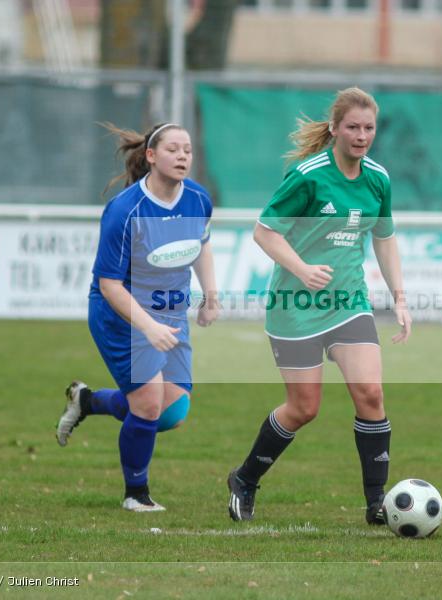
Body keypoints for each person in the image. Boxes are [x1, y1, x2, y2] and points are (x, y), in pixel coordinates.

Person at [226, 87, 411, 525]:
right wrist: (303, 269)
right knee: (305, 408)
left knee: (370, 393)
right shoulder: (308, 176)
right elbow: (264, 232)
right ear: (335, 129)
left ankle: (375, 503)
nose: (361, 135)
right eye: (352, 127)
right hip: (295, 307)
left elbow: (383, 239)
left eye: (368, 128)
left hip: (348, 302)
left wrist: (400, 298)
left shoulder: (378, 179)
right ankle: (245, 478)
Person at [56, 122, 219, 512]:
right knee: (147, 405)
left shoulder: (197, 199)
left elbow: (203, 244)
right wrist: (147, 326)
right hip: (120, 316)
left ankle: (89, 402)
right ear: (150, 156)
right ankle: (136, 494)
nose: (183, 157)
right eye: (173, 150)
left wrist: (211, 295)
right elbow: (110, 285)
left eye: (188, 150)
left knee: (171, 412)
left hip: (169, 313)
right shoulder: (125, 211)